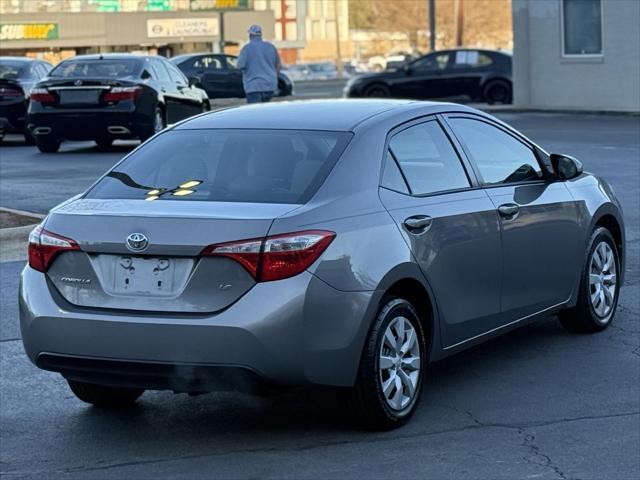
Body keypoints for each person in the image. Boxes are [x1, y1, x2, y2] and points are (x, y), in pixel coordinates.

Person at [237, 24, 281, 104]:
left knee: (255, 113)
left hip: (253, 86)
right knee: (266, 112)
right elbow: (278, 65)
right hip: (270, 85)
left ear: (250, 35)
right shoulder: (270, 47)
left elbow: (240, 65)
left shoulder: (246, 48)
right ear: (260, 35)